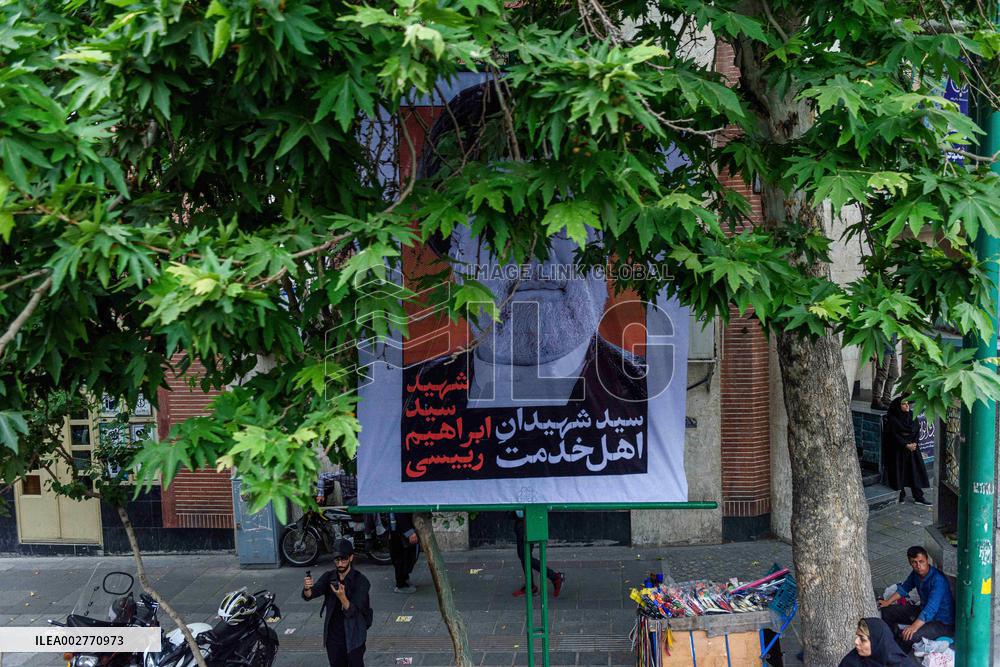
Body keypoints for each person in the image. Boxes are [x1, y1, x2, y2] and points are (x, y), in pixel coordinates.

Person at [303, 538, 373, 667]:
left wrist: (342, 597)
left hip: (354, 635)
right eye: (337, 560)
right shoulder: (329, 577)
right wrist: (307, 588)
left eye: (343, 560)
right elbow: (311, 594)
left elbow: (354, 611)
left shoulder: (361, 581)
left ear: (351, 558)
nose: (340, 563)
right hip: (334, 637)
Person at [878, 546, 955, 653]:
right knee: (887, 612)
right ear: (910, 563)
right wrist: (887, 602)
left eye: (921, 561)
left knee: (909, 636)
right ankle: (891, 641)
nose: (918, 566)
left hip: (942, 623)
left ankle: (896, 657)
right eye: (914, 562)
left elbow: (931, 609)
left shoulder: (938, 580)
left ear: (927, 560)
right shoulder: (916, 574)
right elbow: (904, 588)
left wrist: (913, 627)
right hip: (923, 612)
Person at [881, 397, 931, 506]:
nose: (907, 406)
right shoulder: (893, 419)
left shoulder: (912, 415)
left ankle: (918, 496)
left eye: (907, 403)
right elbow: (893, 435)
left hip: (913, 449)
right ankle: (901, 494)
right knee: (900, 472)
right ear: (898, 406)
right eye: (904, 404)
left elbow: (917, 429)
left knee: (915, 472)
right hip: (899, 450)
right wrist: (905, 445)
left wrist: (915, 443)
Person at [511, 510, 565, 598]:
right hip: (526, 520)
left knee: (525, 556)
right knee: (524, 555)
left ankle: (554, 577)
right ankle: (532, 585)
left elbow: (520, 512)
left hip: (526, 521)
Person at [839, 618, 918, 666]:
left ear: (877, 643)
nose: (856, 642)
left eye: (862, 639)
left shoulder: (902, 664)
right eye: (857, 636)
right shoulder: (850, 662)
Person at [389, 512, 419, 594]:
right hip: (400, 529)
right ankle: (401, 584)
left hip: (400, 527)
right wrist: (409, 532)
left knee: (404, 556)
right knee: (401, 557)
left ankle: (404, 579)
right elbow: (399, 513)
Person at [871, 336, 899, 410]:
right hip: (882, 350)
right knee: (881, 375)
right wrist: (873, 352)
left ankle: (886, 399)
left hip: (892, 349)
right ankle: (876, 400)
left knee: (894, 375)